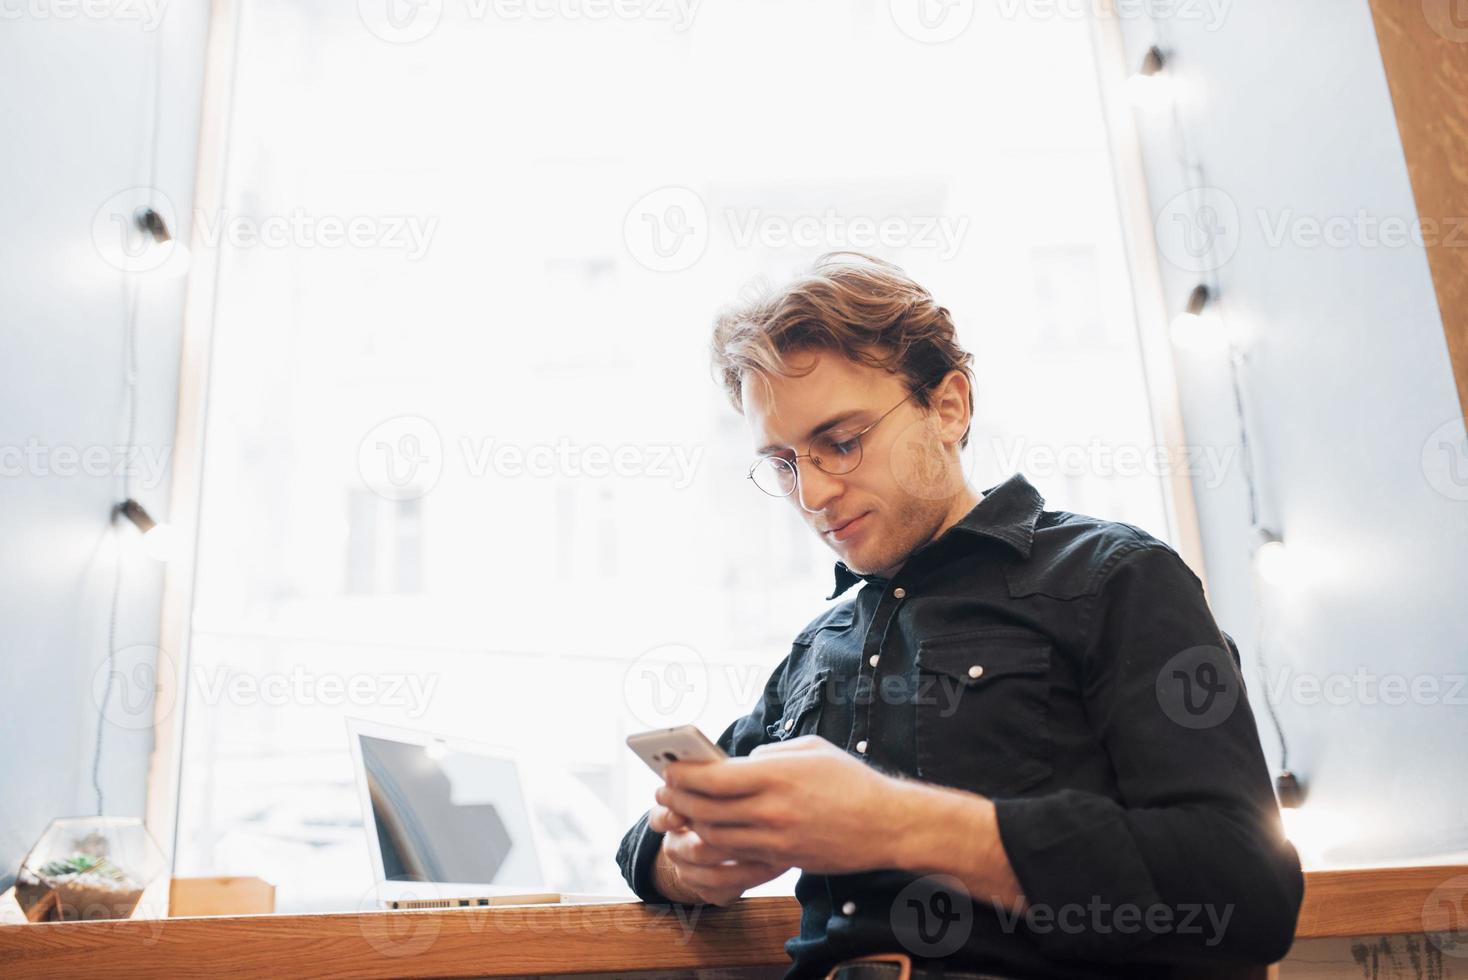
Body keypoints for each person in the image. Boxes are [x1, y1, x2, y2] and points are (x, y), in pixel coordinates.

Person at [615, 253, 1303, 980]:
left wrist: (893, 822)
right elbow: (643, 846)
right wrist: (690, 865)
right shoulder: (821, 646)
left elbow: (1245, 887)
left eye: (841, 443)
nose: (812, 493)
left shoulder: (1115, 579)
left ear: (949, 406)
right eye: (784, 463)